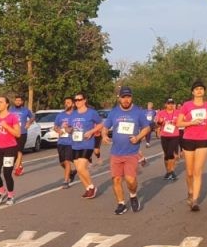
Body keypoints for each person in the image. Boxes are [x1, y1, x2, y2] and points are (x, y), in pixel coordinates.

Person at [101, 86, 152, 214]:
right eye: (123, 97)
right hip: (116, 153)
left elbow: (147, 128)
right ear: (119, 98)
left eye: (128, 97)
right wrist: (104, 135)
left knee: (130, 180)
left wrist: (138, 137)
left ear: (131, 97)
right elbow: (105, 127)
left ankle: (133, 195)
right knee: (116, 179)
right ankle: (121, 204)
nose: (126, 100)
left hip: (131, 152)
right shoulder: (114, 112)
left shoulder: (138, 112)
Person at [177, 80, 207, 212]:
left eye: (201, 89)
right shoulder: (187, 105)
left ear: (204, 91)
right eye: (196, 89)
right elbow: (178, 123)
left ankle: (194, 200)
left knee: (197, 171)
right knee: (189, 172)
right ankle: (190, 191)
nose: (199, 91)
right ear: (192, 92)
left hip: (203, 140)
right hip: (188, 139)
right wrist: (191, 123)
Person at [68, 92, 103, 199]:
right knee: (78, 170)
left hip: (87, 143)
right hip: (75, 143)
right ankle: (87, 188)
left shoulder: (91, 113)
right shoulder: (73, 114)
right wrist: (66, 128)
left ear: (84, 100)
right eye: (76, 100)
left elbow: (101, 124)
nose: (77, 102)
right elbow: (70, 129)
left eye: (79, 99)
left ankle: (92, 186)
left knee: (82, 167)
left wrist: (91, 131)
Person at [0, 96, 21, 204]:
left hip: (10, 148)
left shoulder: (12, 117)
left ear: (7, 104)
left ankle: (11, 195)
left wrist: (6, 126)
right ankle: (2, 192)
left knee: (7, 173)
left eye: (1, 102)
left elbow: (18, 133)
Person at [155, 97, 182, 181]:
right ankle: (168, 171)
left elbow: (182, 121)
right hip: (164, 136)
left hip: (174, 135)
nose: (170, 105)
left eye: (172, 104)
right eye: (169, 103)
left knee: (171, 153)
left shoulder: (178, 112)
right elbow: (157, 123)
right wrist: (160, 121)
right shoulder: (161, 113)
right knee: (166, 154)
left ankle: (172, 171)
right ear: (165, 104)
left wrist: (177, 122)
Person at [54, 97, 77, 188]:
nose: (66, 104)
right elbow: (55, 126)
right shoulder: (60, 115)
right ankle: (71, 172)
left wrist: (69, 129)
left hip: (71, 142)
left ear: (73, 104)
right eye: (65, 102)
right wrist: (58, 130)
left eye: (68, 102)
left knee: (67, 161)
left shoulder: (76, 115)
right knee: (62, 163)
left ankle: (66, 181)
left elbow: (77, 127)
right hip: (61, 142)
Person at [9, 95, 35, 175]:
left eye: (19, 100)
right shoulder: (10, 110)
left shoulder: (26, 110)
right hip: (13, 133)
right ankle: (20, 166)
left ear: (22, 102)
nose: (18, 102)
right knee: (14, 151)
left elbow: (32, 117)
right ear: (14, 101)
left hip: (22, 133)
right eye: (16, 100)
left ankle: (17, 168)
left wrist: (28, 123)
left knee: (19, 150)